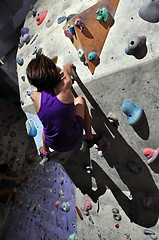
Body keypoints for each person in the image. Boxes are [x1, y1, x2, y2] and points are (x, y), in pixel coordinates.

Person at [26, 54, 99, 156]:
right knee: (80, 99)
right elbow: (67, 69)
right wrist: (68, 66)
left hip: (54, 145)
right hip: (74, 139)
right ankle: (90, 137)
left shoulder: (34, 96)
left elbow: (39, 91)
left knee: (46, 125)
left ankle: (46, 152)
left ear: (32, 82)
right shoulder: (65, 85)